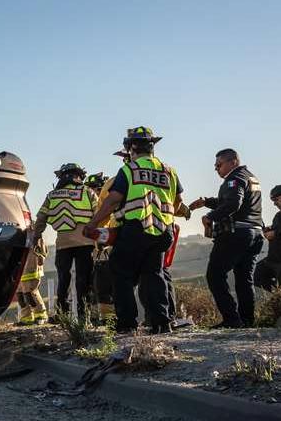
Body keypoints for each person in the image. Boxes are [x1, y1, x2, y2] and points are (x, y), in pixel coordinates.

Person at [83, 126, 183, 334]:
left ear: (130, 149)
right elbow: (178, 201)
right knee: (154, 275)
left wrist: (93, 223)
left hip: (136, 229)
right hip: (164, 231)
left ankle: (127, 325)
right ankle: (161, 323)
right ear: (152, 147)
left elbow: (113, 200)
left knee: (120, 273)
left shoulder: (129, 170)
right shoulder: (169, 171)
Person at [188, 148, 264, 327]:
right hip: (255, 233)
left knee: (215, 275)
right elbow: (236, 201)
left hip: (235, 234)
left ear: (233, 162)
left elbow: (233, 203)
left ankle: (231, 319)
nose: (216, 169)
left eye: (219, 165)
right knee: (245, 279)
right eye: (215, 166)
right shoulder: (250, 177)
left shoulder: (234, 178)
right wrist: (207, 201)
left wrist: (210, 217)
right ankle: (246, 320)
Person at [32, 163, 98, 319]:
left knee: (63, 278)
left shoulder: (52, 195)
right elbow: (99, 214)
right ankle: (84, 315)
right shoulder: (88, 191)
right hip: (86, 242)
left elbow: (41, 217)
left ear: (61, 176)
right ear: (79, 175)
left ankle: (62, 314)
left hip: (63, 243)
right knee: (84, 279)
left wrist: (37, 236)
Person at [16, 241, 49, 325]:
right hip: (19, 265)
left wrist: (41, 257)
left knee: (29, 293)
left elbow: (42, 249)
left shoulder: (35, 234)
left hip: (31, 265)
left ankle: (41, 316)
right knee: (20, 295)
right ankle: (27, 318)